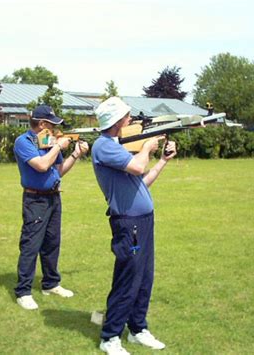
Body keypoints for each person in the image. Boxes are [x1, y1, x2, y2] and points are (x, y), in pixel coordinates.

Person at [91, 97, 177, 354]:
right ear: (117, 121)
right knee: (128, 280)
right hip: (129, 225)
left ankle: (138, 329)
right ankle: (110, 337)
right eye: (126, 116)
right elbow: (139, 166)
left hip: (142, 222)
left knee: (144, 279)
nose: (130, 120)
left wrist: (162, 160)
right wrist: (148, 147)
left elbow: (142, 182)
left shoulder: (117, 148)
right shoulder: (104, 146)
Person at [13, 104, 89, 310]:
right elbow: (41, 165)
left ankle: (51, 283)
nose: (56, 129)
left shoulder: (49, 142)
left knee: (52, 243)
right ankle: (23, 291)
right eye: (53, 125)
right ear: (42, 124)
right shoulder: (24, 141)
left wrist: (75, 154)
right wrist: (58, 146)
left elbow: (57, 170)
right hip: (35, 200)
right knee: (31, 244)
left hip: (53, 197)